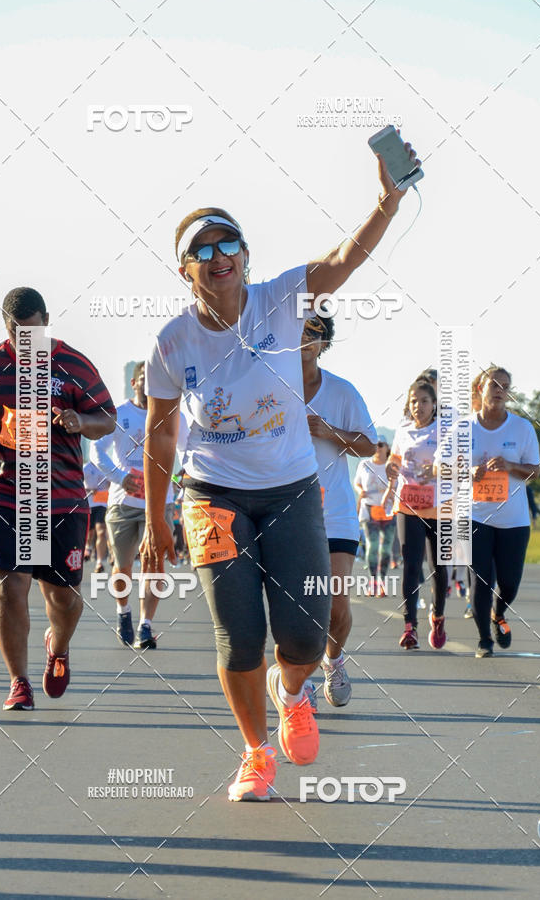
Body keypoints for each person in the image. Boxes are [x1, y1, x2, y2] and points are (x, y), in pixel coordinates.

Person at [140, 134, 420, 801]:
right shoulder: (172, 341)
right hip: (212, 494)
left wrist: (387, 200)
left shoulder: (282, 298)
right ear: (185, 270)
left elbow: (342, 259)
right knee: (239, 636)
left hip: (292, 490)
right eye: (200, 252)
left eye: (227, 244)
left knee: (304, 631)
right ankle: (255, 752)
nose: (218, 258)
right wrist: (156, 523)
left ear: (245, 254)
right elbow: (160, 434)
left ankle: (293, 691)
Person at [0, 288, 115, 710]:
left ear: (47, 318)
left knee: (64, 597)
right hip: (1, 489)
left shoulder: (73, 364)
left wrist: (82, 421)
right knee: (8, 586)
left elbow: (107, 418)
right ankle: (18, 682)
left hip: (58, 496)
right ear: (6, 326)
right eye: (16, 331)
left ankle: (57, 647)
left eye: (33, 330)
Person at [301, 314, 376, 707]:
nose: (303, 341)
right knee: (296, 604)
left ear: (324, 342)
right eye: (295, 333)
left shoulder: (342, 392)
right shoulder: (268, 388)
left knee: (336, 599)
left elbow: (369, 445)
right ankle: (300, 680)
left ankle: (333, 661)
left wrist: (332, 432)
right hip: (285, 513)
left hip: (336, 513)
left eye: (313, 335)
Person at [90, 362, 186, 649]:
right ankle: (124, 612)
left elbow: (188, 449)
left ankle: (146, 625)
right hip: (123, 504)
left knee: (154, 564)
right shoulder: (120, 414)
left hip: (161, 503)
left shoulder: (170, 414)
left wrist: (181, 476)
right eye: (144, 379)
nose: (148, 384)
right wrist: (119, 478)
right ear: (134, 383)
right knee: (122, 567)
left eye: (154, 378)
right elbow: (96, 449)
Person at [469, 367, 539, 658]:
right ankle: (484, 639)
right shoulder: (464, 429)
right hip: (474, 517)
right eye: (494, 384)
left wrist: (511, 466)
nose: (499, 390)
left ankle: (500, 611)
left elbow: (534, 471)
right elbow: (440, 468)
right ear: (481, 389)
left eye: (505, 386)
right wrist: (468, 471)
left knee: (509, 582)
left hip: (514, 520)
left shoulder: (522, 428)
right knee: (480, 579)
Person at [386, 378, 449, 650]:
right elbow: (395, 459)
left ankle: (437, 616)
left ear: (434, 404)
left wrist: (436, 470)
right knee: (411, 565)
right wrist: (390, 467)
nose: (418, 406)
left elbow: (457, 464)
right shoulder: (402, 431)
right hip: (408, 505)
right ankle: (409, 627)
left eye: (424, 401)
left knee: (438, 568)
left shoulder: (445, 430)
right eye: (414, 401)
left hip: (440, 506)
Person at [354, 440, 396, 596]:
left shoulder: (393, 465)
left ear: (387, 448)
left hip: (388, 511)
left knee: (385, 548)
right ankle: (373, 582)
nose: (377, 448)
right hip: (369, 509)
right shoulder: (364, 464)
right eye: (375, 444)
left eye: (381, 444)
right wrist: (360, 491)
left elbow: (399, 485)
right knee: (372, 547)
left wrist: (391, 493)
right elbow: (357, 483)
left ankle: (382, 582)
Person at [83, 459, 109, 572]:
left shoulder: (106, 467)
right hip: (88, 503)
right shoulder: (86, 468)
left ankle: (99, 562)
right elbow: (77, 483)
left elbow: (113, 482)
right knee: (90, 531)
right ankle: (88, 548)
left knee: (101, 531)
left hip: (102, 503)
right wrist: (88, 489)